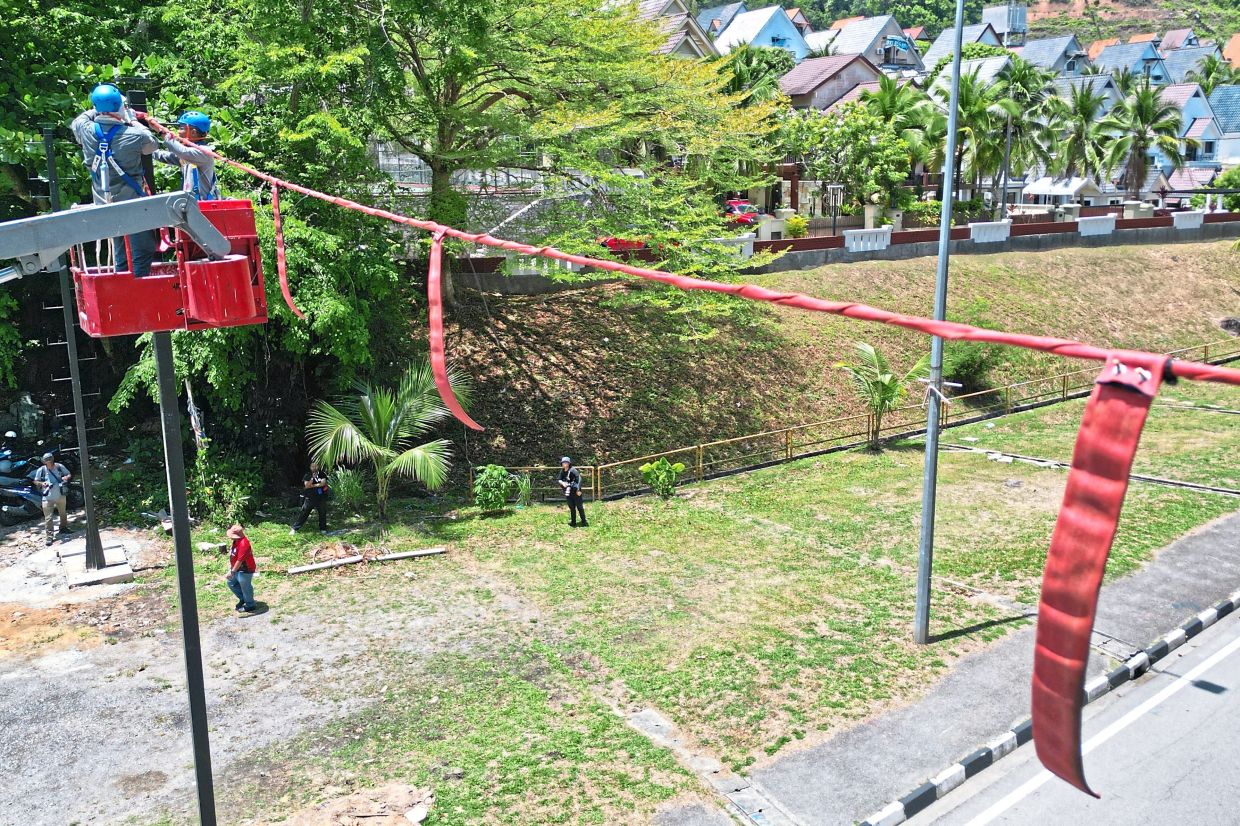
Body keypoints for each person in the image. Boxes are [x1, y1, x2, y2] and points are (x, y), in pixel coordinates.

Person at [69, 84, 159, 275]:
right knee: (143, 248)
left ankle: (124, 287)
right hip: (132, 203)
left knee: (120, 249)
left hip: (104, 202)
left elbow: (79, 120)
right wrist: (132, 119)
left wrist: (99, 108)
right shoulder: (134, 134)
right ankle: (137, 289)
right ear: (120, 106)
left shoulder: (85, 129)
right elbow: (151, 145)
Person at [151, 111, 220, 201]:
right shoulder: (190, 153)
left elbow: (181, 151)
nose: (178, 132)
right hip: (192, 203)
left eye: (181, 128)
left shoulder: (204, 152)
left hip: (203, 203)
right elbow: (164, 156)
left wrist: (162, 132)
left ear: (193, 132)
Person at [32, 452, 71, 546]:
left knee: (63, 513)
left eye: (49, 460)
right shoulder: (41, 470)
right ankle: (49, 536)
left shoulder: (59, 467)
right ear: (44, 461)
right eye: (46, 460)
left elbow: (68, 474)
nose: (48, 462)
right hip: (47, 497)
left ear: (52, 459)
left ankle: (63, 528)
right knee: (48, 517)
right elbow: (35, 481)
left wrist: (66, 477)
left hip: (60, 495)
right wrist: (42, 484)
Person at [225, 523, 258, 613]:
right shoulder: (236, 541)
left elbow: (239, 560)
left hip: (246, 569)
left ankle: (250, 604)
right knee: (231, 583)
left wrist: (232, 571)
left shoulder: (244, 544)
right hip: (237, 568)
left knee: (245, 587)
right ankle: (243, 598)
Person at [290, 461, 329, 534]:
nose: (314, 467)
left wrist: (313, 485)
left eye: (316, 466)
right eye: (312, 466)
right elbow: (307, 486)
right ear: (310, 467)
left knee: (322, 513)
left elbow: (323, 483)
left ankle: (323, 529)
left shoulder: (322, 474)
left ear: (318, 466)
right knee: (304, 513)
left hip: (321, 498)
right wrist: (312, 479)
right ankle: (295, 528)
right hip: (310, 498)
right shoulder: (307, 475)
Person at [557, 456, 588, 528]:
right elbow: (559, 479)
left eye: (566, 462)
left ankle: (584, 522)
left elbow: (580, 479)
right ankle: (573, 522)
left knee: (580, 507)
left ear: (569, 463)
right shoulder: (562, 471)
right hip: (568, 492)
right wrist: (562, 483)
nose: (564, 464)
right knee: (572, 507)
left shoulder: (573, 470)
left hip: (576, 492)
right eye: (563, 462)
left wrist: (578, 490)